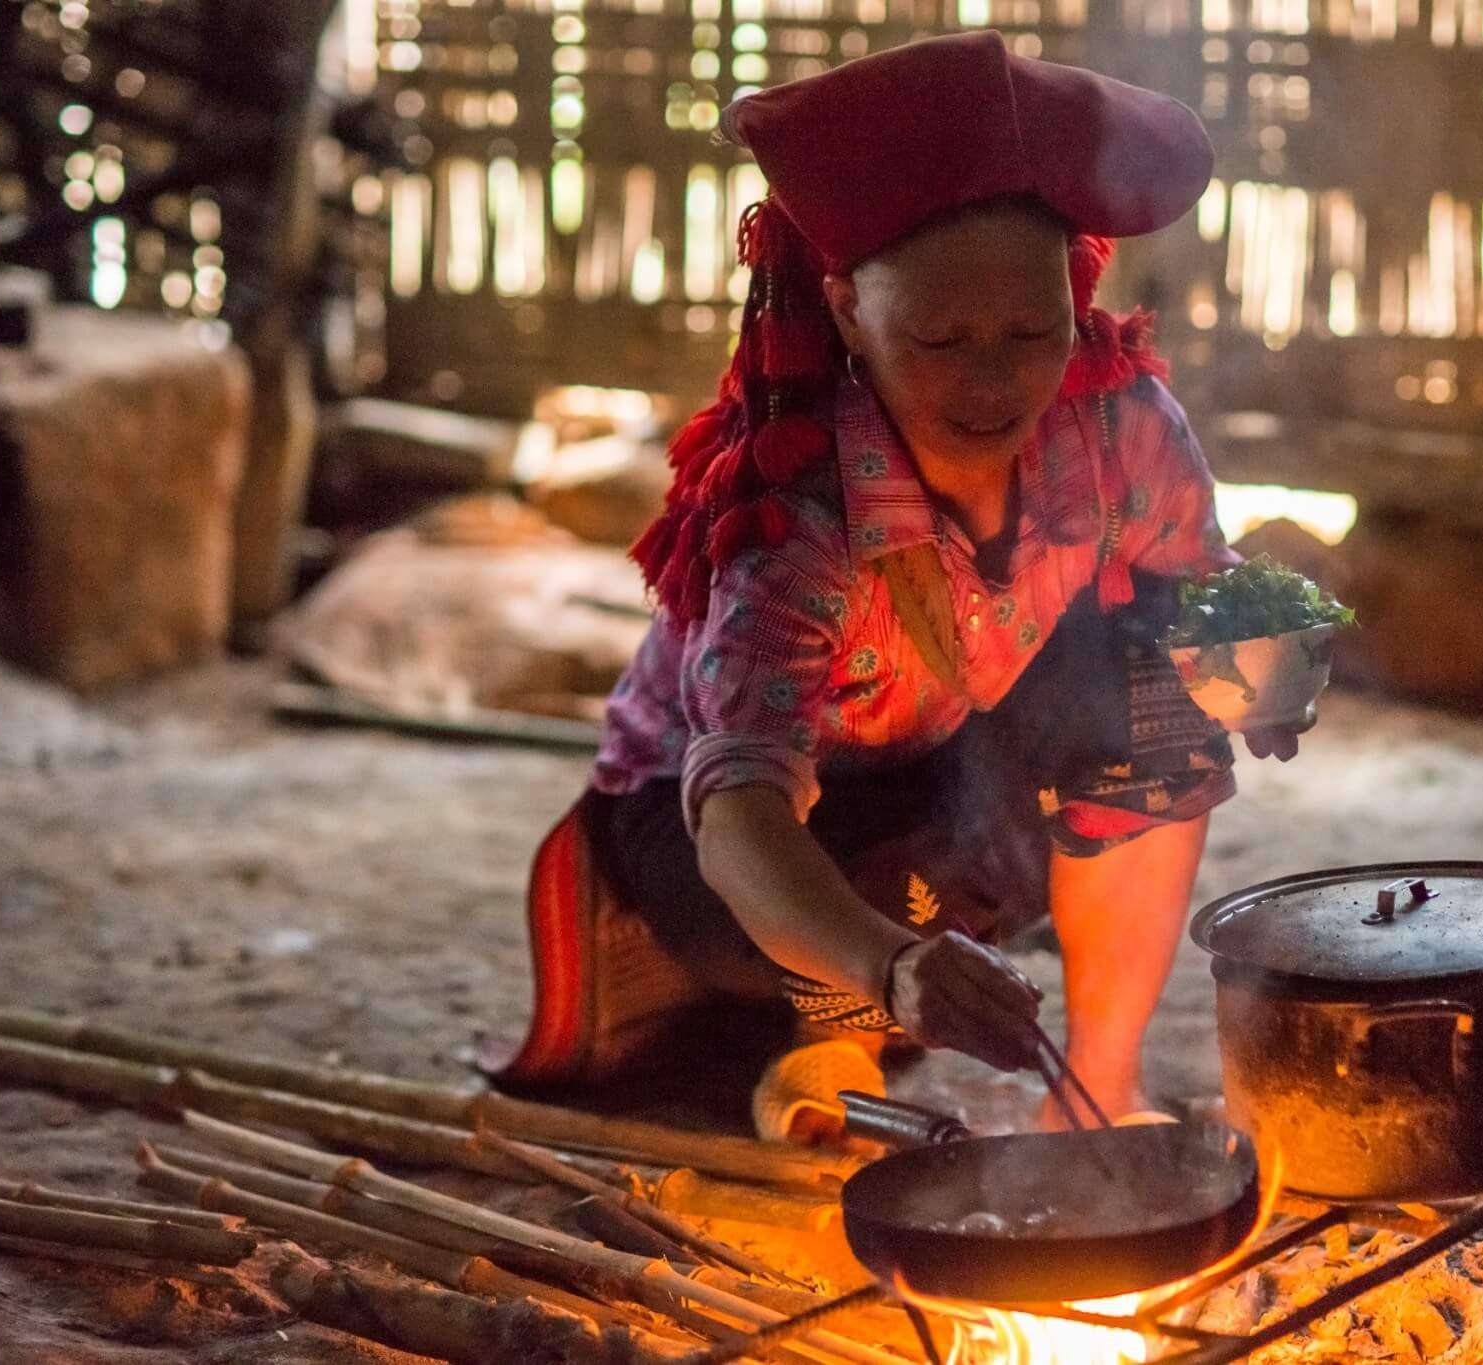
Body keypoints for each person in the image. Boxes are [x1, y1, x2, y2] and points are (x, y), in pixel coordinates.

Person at [484, 31, 1308, 1142]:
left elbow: (1208, 603)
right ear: (846, 317)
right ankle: (830, 1025)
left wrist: (1264, 662)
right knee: (876, 918)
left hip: (944, 765)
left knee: (1152, 685)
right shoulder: (794, 517)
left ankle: (1098, 1093)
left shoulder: (1115, 425)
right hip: (716, 846)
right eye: (940, 338)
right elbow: (739, 818)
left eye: (1031, 331)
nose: (994, 382)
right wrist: (896, 969)